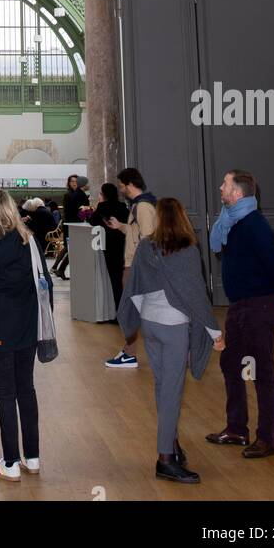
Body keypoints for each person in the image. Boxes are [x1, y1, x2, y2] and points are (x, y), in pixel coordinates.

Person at [118, 197, 224, 484]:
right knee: (172, 391)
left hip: (150, 324)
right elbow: (196, 296)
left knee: (163, 386)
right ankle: (165, 458)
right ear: (182, 218)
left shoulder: (145, 247)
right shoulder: (186, 250)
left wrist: (143, 315)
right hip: (174, 326)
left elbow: (135, 287)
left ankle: (173, 444)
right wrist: (215, 333)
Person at [206, 169, 274, 459]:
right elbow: (222, 251)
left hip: (259, 306)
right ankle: (236, 428)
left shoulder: (254, 224)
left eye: (225, 184)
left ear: (238, 193)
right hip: (240, 305)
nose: (220, 188)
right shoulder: (231, 223)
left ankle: (267, 438)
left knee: (261, 371)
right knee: (231, 363)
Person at [0, 189, 51, 482]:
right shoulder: (30, 243)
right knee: (26, 389)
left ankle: (10, 462)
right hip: (27, 325)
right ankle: (33, 457)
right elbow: (45, 284)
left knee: (5, 393)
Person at [104, 167, 157, 368]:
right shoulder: (142, 204)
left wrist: (137, 266)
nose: (121, 189)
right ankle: (129, 351)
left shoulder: (142, 207)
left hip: (135, 266)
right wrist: (121, 226)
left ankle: (130, 353)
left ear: (129, 184)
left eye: (121, 186)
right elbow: (139, 233)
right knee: (135, 310)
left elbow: (146, 237)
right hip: (136, 265)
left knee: (129, 311)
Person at [90, 184, 128, 310]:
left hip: (108, 246)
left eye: (100, 193)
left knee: (112, 279)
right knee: (119, 277)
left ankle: (116, 311)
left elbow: (92, 221)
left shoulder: (102, 206)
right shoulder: (122, 206)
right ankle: (123, 309)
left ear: (104, 194)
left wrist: (98, 206)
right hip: (122, 244)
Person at [51, 173, 89, 279]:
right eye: (72, 181)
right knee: (70, 248)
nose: (74, 183)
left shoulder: (79, 194)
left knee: (70, 249)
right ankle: (59, 269)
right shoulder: (68, 195)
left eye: (76, 181)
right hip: (70, 225)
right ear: (68, 183)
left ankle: (59, 269)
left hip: (77, 225)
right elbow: (68, 212)